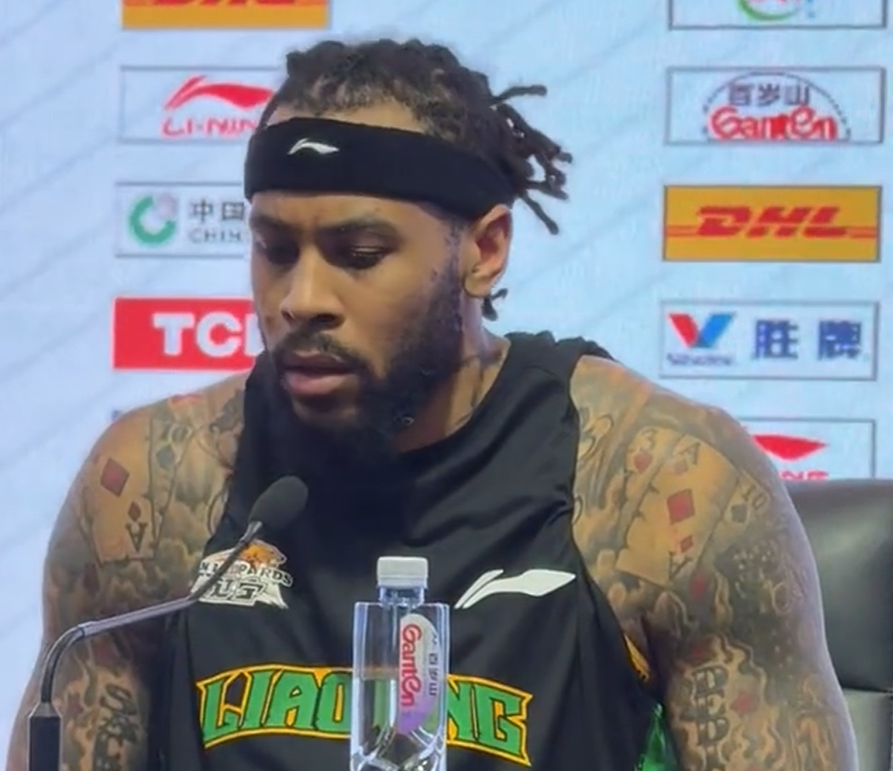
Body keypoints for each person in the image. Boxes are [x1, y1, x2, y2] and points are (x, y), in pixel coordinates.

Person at [6, 38, 856, 771]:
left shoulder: (657, 483)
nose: (301, 298)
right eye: (275, 249)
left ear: (483, 250)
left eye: (358, 253)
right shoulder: (154, 482)